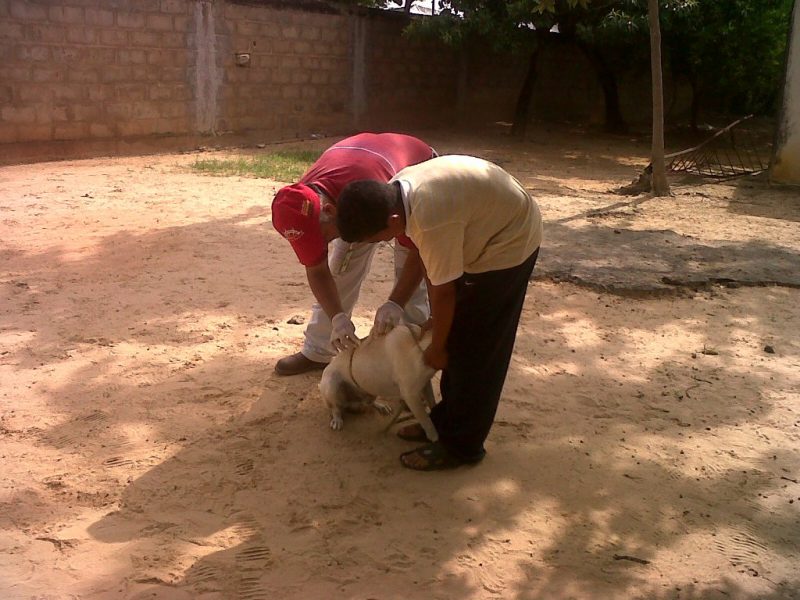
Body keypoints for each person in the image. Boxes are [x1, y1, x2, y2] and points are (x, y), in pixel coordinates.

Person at [335, 155, 543, 471]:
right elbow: (427, 258)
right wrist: (422, 316)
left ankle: (462, 446)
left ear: (392, 220)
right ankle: (445, 421)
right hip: (483, 223)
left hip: (508, 243)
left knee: (478, 349)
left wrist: (437, 346)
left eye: (378, 238)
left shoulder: (429, 216)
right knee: (457, 334)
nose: (384, 242)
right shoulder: (395, 194)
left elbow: (443, 290)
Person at [271, 132, 437, 376]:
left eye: (323, 235)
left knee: (407, 265)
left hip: (410, 172)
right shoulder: (297, 207)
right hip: (357, 191)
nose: (321, 243)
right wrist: (337, 319)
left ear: (330, 211)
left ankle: (409, 351)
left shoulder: (376, 197)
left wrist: (395, 303)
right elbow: (317, 270)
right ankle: (318, 350)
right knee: (342, 266)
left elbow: (417, 251)